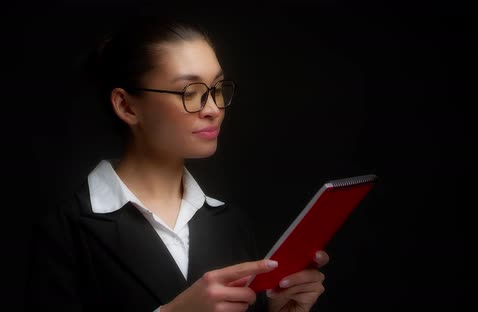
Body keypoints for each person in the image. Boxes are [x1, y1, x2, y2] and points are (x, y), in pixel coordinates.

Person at [25, 16, 329, 312]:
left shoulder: (230, 224)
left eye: (218, 88)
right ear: (127, 106)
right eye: (191, 92)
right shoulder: (63, 228)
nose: (213, 109)